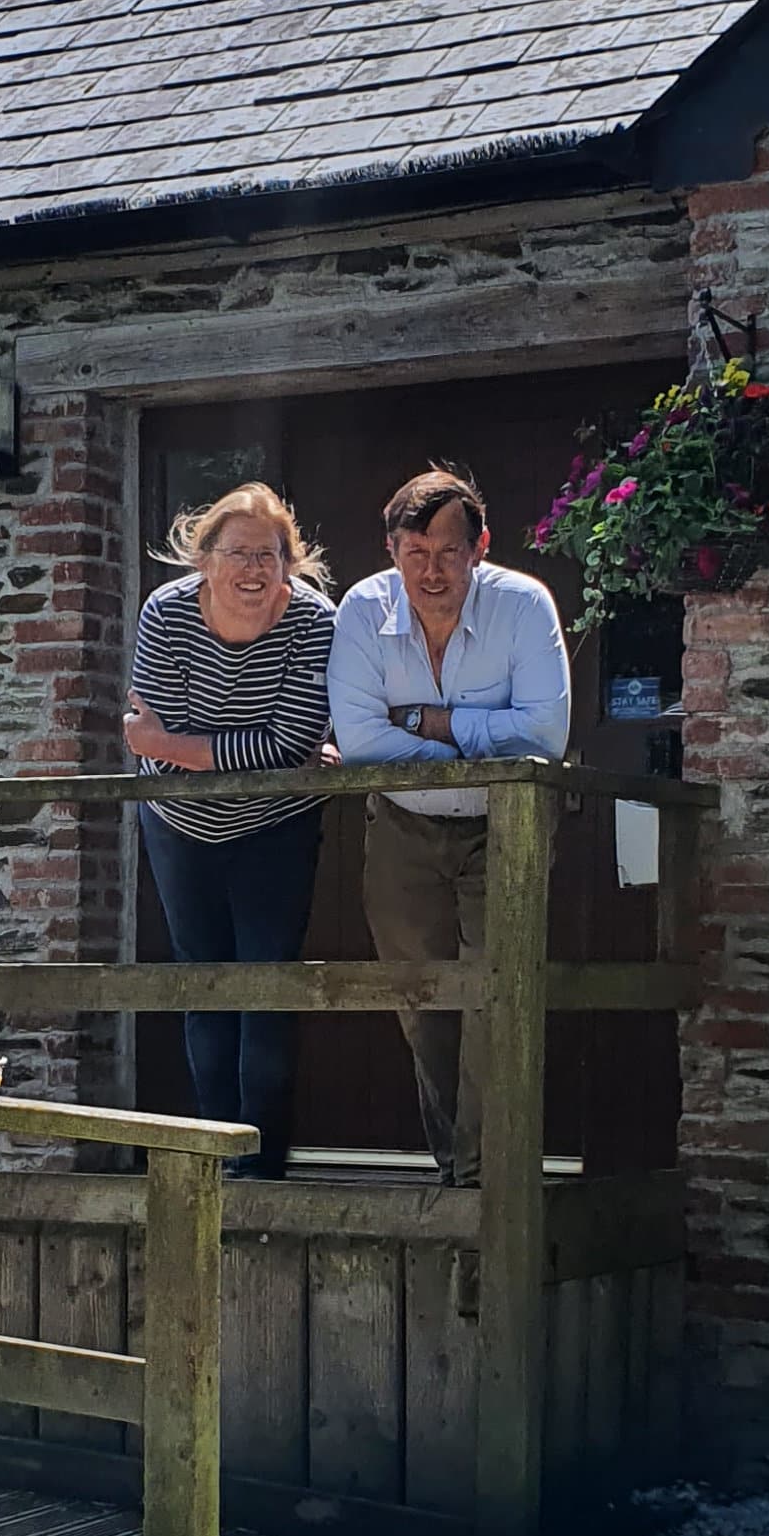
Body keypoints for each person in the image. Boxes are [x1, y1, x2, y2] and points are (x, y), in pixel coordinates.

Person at [328, 468, 570, 1186]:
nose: (431, 572)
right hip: (403, 827)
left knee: (495, 995)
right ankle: (456, 1162)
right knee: (421, 999)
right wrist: (480, 737)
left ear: (480, 547)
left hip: (506, 825)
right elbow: (364, 743)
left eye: (448, 553)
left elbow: (545, 737)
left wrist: (430, 721)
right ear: (391, 549)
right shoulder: (362, 609)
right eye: (415, 553)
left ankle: (481, 1181)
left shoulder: (523, 605)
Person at [123, 483, 335, 1180]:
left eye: (268, 555)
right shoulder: (167, 613)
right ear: (204, 559)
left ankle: (264, 1166)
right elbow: (148, 749)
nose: (253, 570)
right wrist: (175, 743)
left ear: (289, 562)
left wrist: (179, 742)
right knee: (204, 989)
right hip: (178, 828)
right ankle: (214, 1160)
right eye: (237, 553)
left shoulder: (313, 622)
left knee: (266, 993)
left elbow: (291, 740)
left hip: (276, 827)